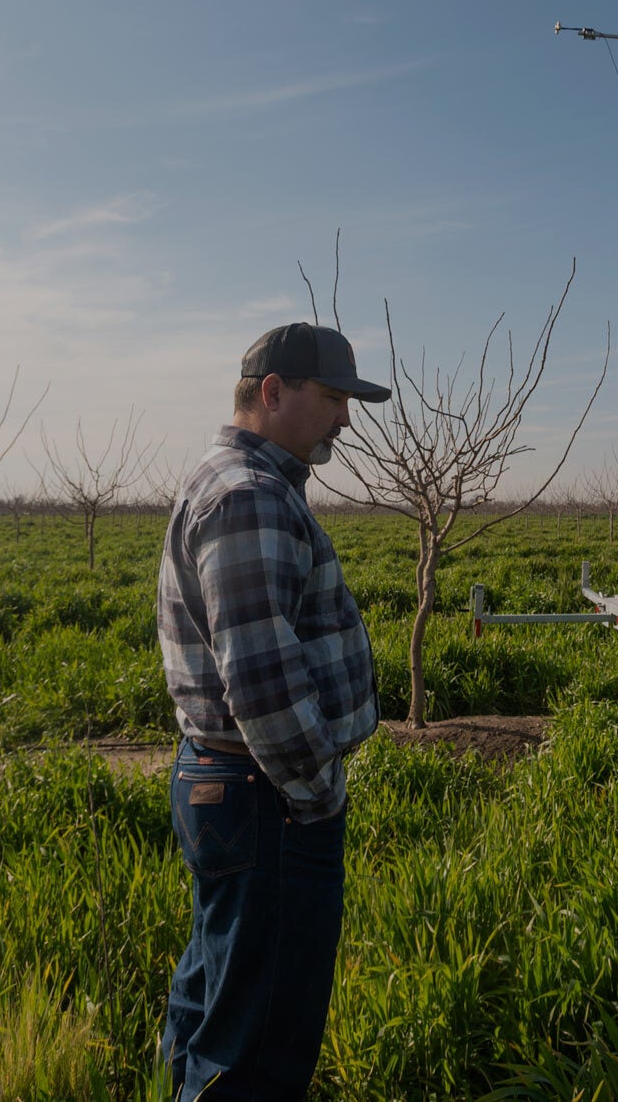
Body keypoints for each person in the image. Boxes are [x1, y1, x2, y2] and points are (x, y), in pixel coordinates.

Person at [155, 321, 391, 1100]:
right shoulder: (249, 497)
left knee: (221, 998)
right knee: (260, 1042)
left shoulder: (232, 481)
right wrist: (313, 794)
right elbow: (261, 689)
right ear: (273, 392)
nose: (345, 420)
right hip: (270, 800)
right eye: (332, 398)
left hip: (239, 792)